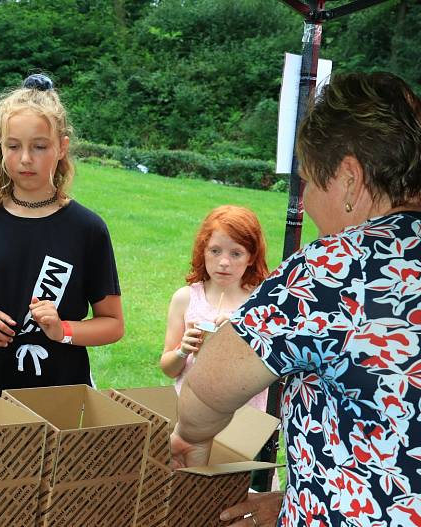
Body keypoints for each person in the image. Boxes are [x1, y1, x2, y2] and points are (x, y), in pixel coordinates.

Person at [171, 71, 421, 526]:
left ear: (348, 179)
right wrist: (299, 497)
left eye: (309, 181)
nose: (303, 202)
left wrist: (191, 435)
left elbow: (209, 386)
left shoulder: (340, 267)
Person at [0, 73, 124, 396]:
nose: (25, 159)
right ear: (0, 148)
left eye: (39, 147)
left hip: (61, 393)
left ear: (62, 148)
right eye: (13, 146)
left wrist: (63, 330)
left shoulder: (88, 230)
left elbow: (113, 324)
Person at [160, 205, 269, 410]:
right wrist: (183, 351)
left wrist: (241, 334)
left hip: (244, 421)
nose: (224, 262)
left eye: (236, 253)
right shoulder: (185, 299)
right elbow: (168, 368)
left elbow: (273, 372)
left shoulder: (261, 303)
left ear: (251, 257)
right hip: (191, 416)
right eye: (215, 251)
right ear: (203, 251)